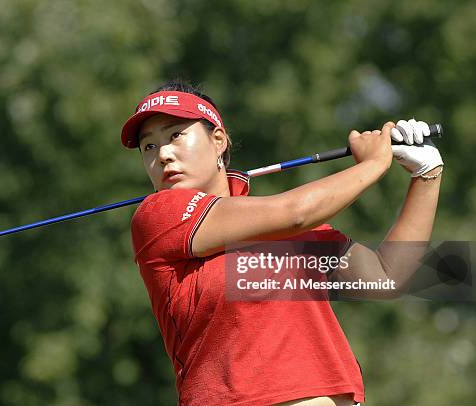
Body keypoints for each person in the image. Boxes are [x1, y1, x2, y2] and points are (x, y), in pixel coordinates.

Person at [121, 80, 443, 405]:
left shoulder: (288, 233)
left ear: (218, 140)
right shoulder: (158, 215)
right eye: (148, 147)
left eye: (175, 135)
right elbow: (297, 212)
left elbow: (385, 278)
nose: (162, 154)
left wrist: (426, 173)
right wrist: (375, 163)